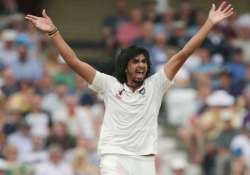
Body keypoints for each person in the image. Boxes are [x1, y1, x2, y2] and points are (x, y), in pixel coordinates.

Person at [25, 2, 234, 175]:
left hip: (144, 161)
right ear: (126, 67)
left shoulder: (156, 85)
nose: (141, 65)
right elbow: (73, 61)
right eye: (136, 61)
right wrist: (53, 32)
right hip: (114, 156)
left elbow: (183, 53)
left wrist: (209, 23)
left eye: (144, 61)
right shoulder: (108, 84)